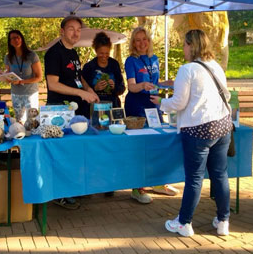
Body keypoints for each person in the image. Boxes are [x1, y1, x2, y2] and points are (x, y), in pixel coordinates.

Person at [161, 29, 232, 238]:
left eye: (184, 44)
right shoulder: (215, 66)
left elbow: (178, 102)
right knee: (220, 175)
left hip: (198, 129)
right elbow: (226, 95)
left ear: (192, 45)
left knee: (194, 178)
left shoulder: (187, 69)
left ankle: (184, 222)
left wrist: (161, 103)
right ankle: (223, 221)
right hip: (222, 126)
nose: (183, 48)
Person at [44, 15, 99, 210]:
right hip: (59, 112)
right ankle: (58, 193)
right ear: (62, 31)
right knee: (61, 153)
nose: (75, 33)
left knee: (74, 151)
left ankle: (71, 188)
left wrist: (89, 89)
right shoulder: (53, 53)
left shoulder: (73, 53)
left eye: (78, 30)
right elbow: (53, 84)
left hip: (77, 112)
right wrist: (80, 92)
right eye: (71, 29)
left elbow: (79, 77)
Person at [124, 26, 173, 204]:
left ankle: (158, 182)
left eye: (144, 39)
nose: (142, 43)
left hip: (154, 104)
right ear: (133, 43)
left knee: (157, 143)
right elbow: (131, 86)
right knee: (140, 147)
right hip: (136, 105)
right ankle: (137, 188)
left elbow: (155, 83)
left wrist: (167, 83)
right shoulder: (131, 61)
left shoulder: (154, 59)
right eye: (137, 40)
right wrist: (142, 85)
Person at [2, 29, 42, 123]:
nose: (15, 40)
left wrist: (21, 81)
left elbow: (39, 77)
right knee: (19, 121)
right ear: (10, 42)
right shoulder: (8, 57)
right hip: (16, 93)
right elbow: (8, 75)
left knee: (32, 121)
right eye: (12, 38)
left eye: (17, 37)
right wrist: (4, 76)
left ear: (22, 39)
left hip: (30, 93)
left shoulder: (32, 55)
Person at [82, 32, 125, 107]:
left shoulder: (114, 64)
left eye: (107, 53)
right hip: (95, 107)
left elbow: (122, 88)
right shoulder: (89, 67)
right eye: (101, 53)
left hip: (113, 105)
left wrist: (114, 87)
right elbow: (82, 90)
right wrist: (95, 88)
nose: (104, 56)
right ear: (96, 51)